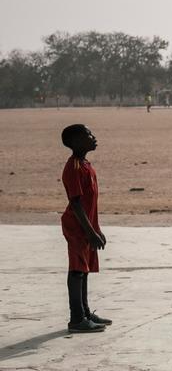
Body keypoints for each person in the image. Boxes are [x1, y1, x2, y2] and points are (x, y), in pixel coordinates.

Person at [60, 124, 110, 333]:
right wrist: (90, 232)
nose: (93, 137)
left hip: (87, 225)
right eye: (88, 135)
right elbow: (76, 203)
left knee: (84, 269)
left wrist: (96, 229)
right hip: (77, 226)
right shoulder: (73, 167)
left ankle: (86, 312)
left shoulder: (85, 164)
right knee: (77, 269)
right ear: (76, 141)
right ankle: (77, 318)